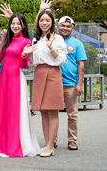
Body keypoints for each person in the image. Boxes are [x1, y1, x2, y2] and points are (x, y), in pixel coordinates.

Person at [0, 13, 40, 157]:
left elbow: (23, 65)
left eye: (18, 23)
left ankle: (13, 145)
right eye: (13, 23)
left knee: (13, 111)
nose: (15, 26)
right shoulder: (7, 39)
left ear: (23, 26)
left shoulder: (25, 41)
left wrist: (24, 54)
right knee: (2, 110)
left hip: (16, 78)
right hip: (3, 77)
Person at [31, 10, 68, 157]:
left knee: (52, 111)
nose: (44, 23)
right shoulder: (36, 39)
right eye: (41, 20)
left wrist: (51, 46)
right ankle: (47, 144)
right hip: (39, 73)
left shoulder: (57, 38)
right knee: (43, 111)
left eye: (47, 20)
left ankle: (50, 145)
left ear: (52, 22)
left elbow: (61, 60)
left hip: (52, 72)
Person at [57, 16, 86, 150]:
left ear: (72, 28)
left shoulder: (77, 44)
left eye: (68, 26)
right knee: (52, 113)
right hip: (54, 83)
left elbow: (81, 65)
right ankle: (52, 140)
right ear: (58, 26)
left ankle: (72, 141)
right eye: (62, 25)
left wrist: (79, 84)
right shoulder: (52, 41)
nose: (65, 28)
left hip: (70, 84)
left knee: (72, 114)